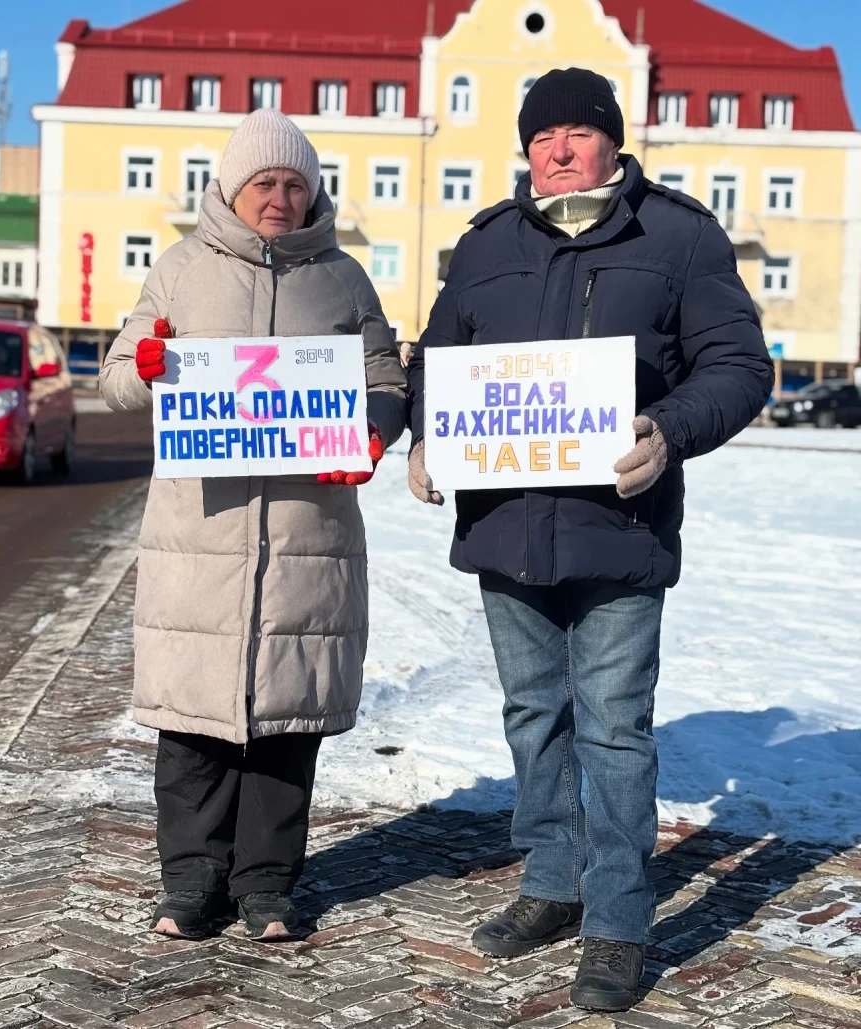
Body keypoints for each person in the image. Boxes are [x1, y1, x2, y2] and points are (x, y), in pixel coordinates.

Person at [406, 68, 772, 1012]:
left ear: (613, 140)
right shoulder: (485, 244)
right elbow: (438, 361)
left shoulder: (680, 235)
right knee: (534, 715)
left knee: (613, 728)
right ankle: (553, 884)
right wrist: (424, 434)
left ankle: (616, 920)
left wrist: (670, 430)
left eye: (577, 133)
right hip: (504, 529)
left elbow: (738, 364)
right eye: (541, 137)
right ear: (525, 150)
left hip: (619, 528)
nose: (559, 151)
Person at [100, 109, 406, 942]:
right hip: (201, 537)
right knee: (193, 724)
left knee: (286, 724)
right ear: (234, 189)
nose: (280, 197)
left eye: (294, 184)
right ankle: (190, 886)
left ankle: (268, 887)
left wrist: (375, 430)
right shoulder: (180, 269)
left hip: (308, 535)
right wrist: (150, 362)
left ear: (312, 194)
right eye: (265, 183)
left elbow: (385, 375)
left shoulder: (343, 279)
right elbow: (119, 378)